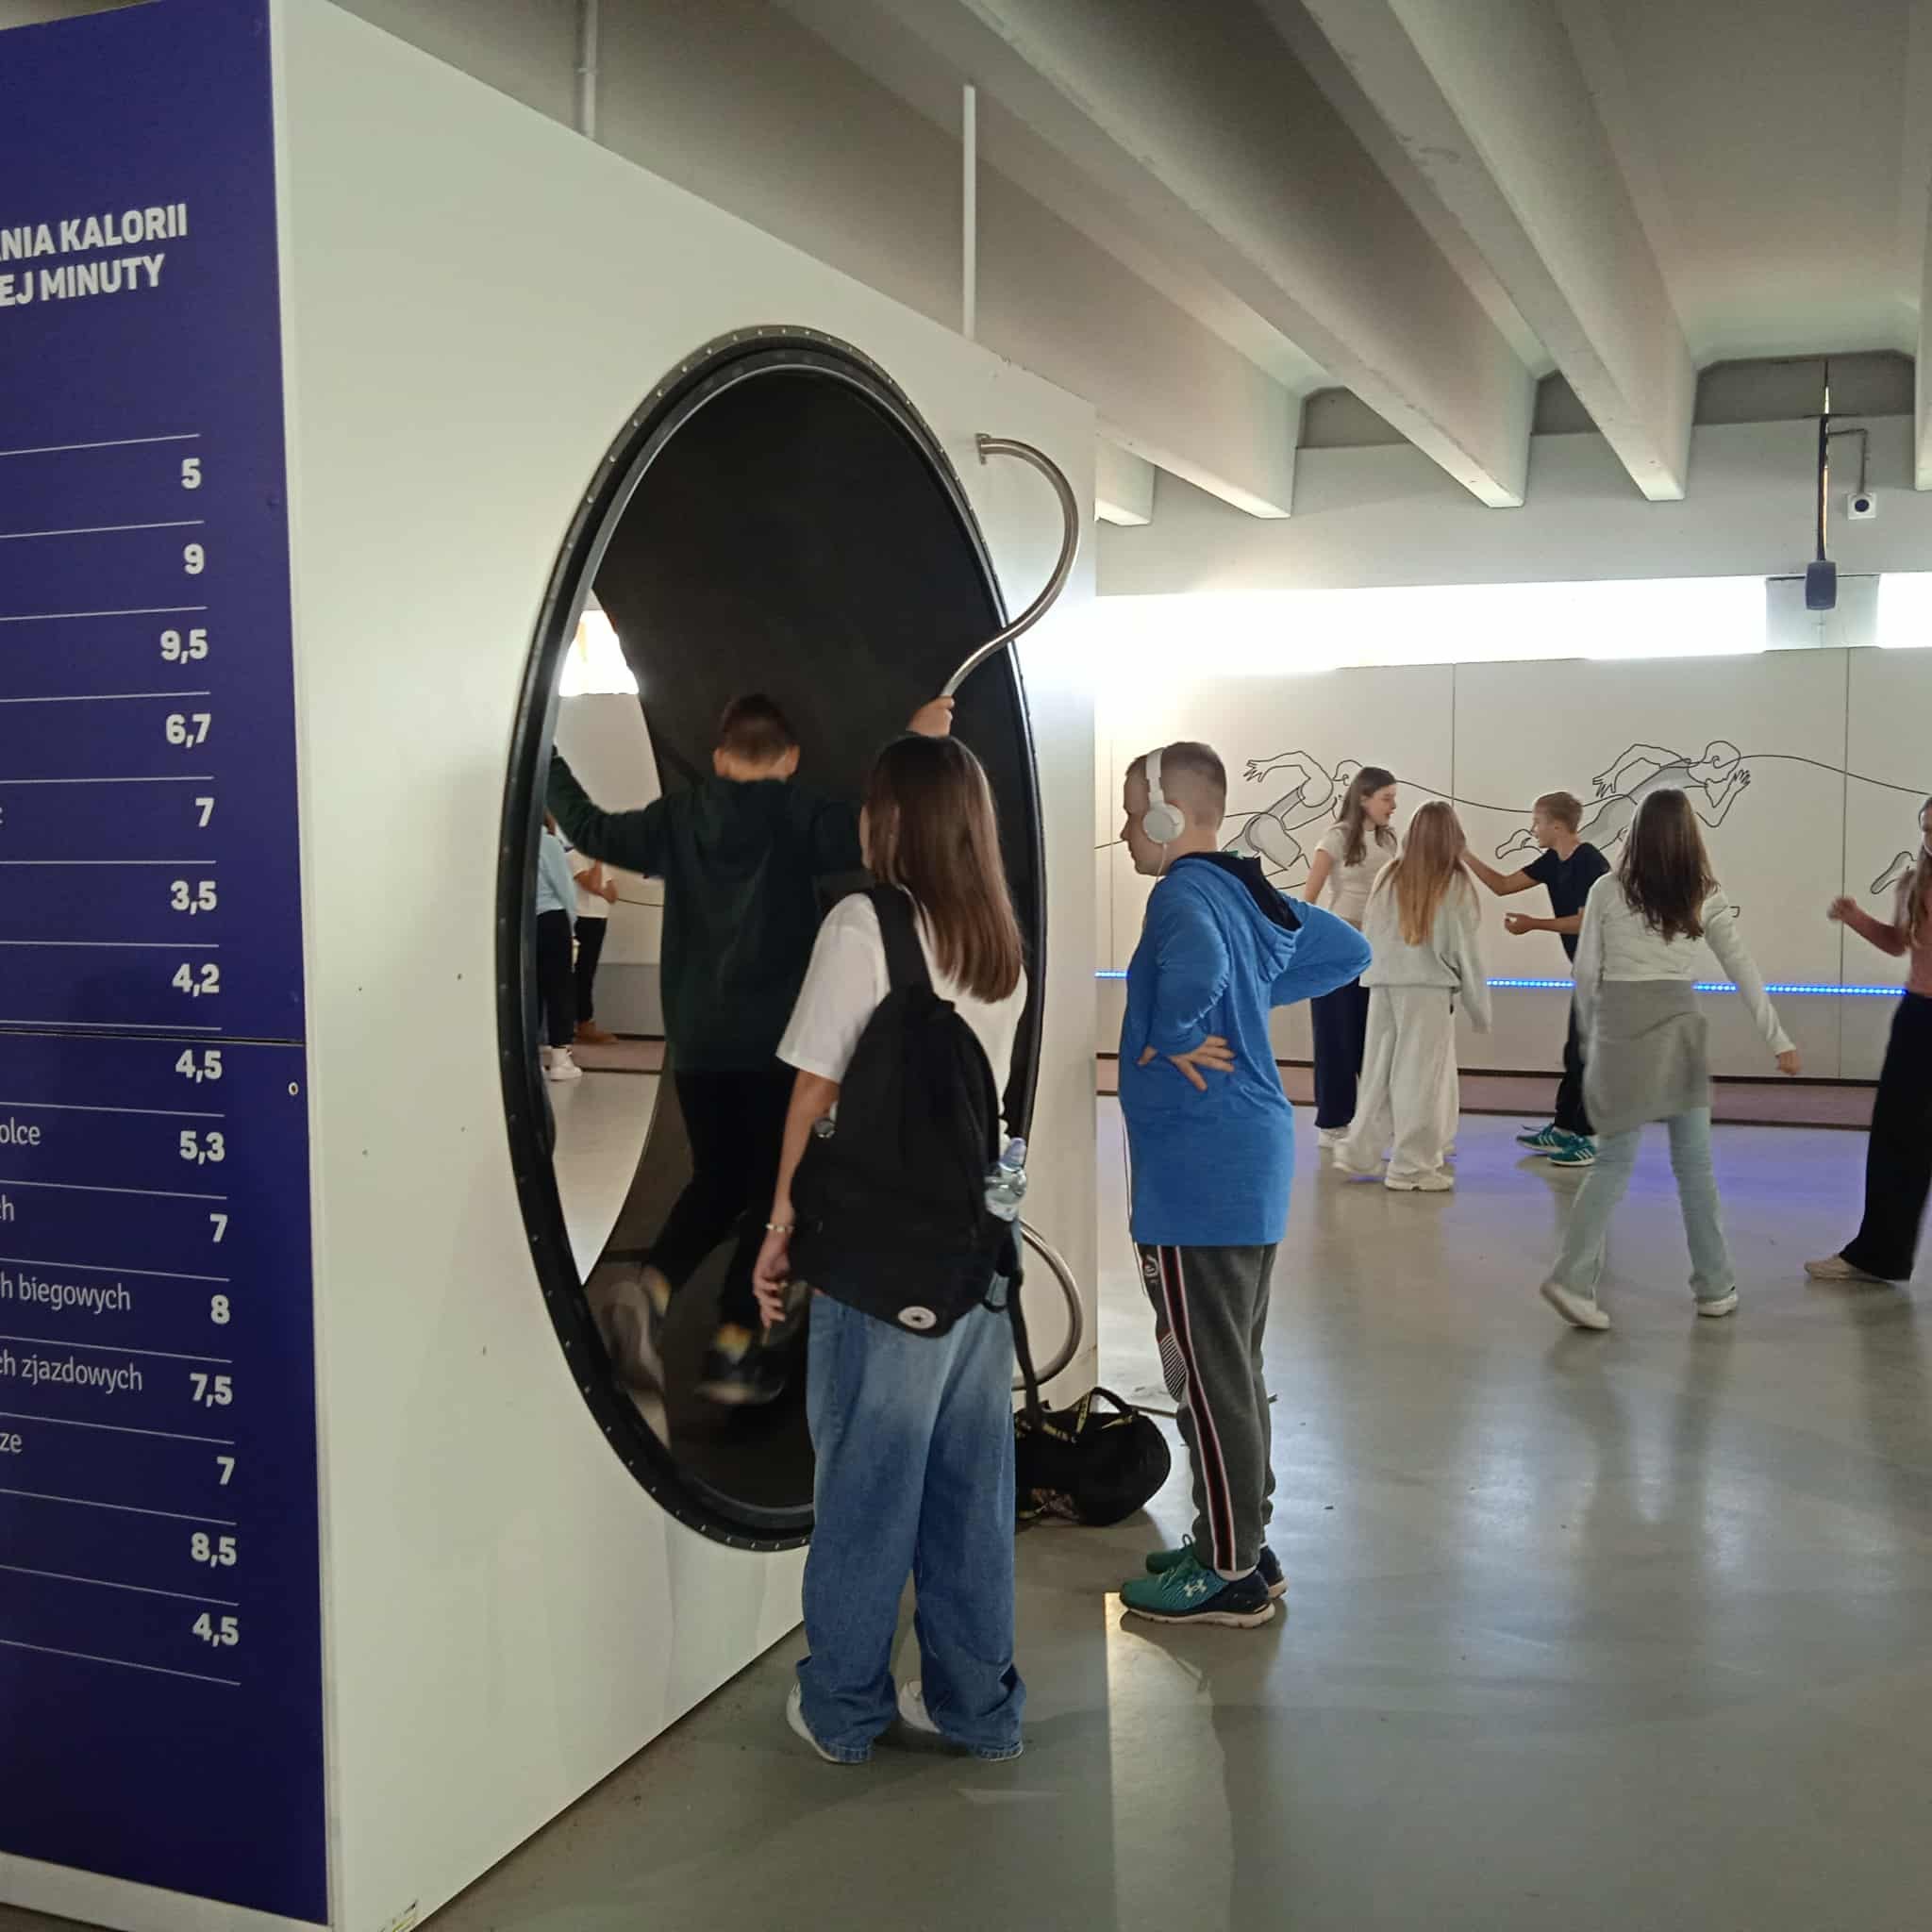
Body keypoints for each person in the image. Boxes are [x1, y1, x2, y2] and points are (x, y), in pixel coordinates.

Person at [548, 691, 952, 1404]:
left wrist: (543, 756)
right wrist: (916, 743)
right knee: (772, 1191)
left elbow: (589, 828)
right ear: (791, 759)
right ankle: (735, 1347)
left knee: (717, 1177)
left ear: (718, 758)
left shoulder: (679, 817)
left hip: (697, 1038)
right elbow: (880, 830)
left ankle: (652, 1288)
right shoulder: (801, 813)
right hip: (779, 1043)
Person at [750, 734, 1029, 1764]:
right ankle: (977, 1706)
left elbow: (815, 1087)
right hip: (979, 1248)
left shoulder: (864, 924)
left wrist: (779, 1225)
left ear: (892, 819)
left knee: (867, 1483)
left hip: (882, 1256)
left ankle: (843, 1707)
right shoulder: (998, 939)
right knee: (969, 1485)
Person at [1113, 741, 1370, 1626]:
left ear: (1166, 815)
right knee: (1234, 1364)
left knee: (1205, 1373)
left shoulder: (1181, 893)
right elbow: (1347, 948)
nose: (1125, 831)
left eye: (1131, 814)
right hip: (1248, 1160)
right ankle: (1243, 1539)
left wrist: (1179, 1030)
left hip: (1199, 1172)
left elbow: (1196, 968)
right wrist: (1253, 989)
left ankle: (1229, 1571)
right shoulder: (1241, 889)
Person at [1540, 790, 1799, 1332]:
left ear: (1636, 832)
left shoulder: (1606, 889)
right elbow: (1742, 967)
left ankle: (1571, 1277)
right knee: (1695, 1165)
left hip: (1618, 1026)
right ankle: (1715, 1287)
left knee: (1613, 1162)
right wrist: (1778, 1040)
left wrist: (1586, 1048)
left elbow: (1586, 973)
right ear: (1689, 836)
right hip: (1678, 1027)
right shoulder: (1702, 893)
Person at [1807, 797, 1932, 1286]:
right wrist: (1856, 917)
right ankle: (1879, 1256)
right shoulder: (1914, 882)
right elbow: (1899, 943)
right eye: (1927, 828)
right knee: (1896, 1139)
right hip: (1919, 1017)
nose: (1931, 837)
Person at [1336, 801, 1490, 1192]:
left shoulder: (1389, 874)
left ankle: (1360, 1151)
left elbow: (1371, 931)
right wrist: (1479, 1008)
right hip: (1427, 989)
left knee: (1379, 1075)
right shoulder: (1454, 882)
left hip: (1383, 984)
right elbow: (1465, 951)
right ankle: (1411, 1167)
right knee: (1421, 1080)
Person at [1465, 791, 1610, 1169]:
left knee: (1589, 1055)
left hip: (1606, 971)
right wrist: (1462, 854)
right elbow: (1502, 885)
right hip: (1585, 969)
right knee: (1574, 1051)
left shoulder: (1590, 862)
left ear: (1557, 826)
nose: (1533, 829)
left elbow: (1587, 921)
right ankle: (1564, 1128)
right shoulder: (1552, 861)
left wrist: (1534, 924)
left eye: (1537, 822)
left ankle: (1590, 1137)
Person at [1301, 764, 1398, 1150]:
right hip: (1337, 947)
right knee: (1334, 1035)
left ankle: (1370, 1117)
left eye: (1393, 799)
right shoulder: (1337, 837)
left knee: (1370, 1035)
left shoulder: (1390, 840)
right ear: (1364, 797)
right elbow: (1310, 895)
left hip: (1376, 948)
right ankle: (1333, 1123)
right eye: (1386, 798)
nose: (1393, 806)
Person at [535, 813, 581, 1083]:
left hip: (524, 925)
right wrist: (572, 923)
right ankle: (560, 1059)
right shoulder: (548, 843)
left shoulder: (515, 845)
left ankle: (532, 1057)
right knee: (559, 988)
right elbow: (564, 886)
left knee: (533, 990)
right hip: (552, 919)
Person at [567, 841, 621, 1046]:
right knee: (582, 973)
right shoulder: (574, 857)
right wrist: (598, 863)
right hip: (583, 920)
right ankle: (583, 1023)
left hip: (599, 920)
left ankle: (582, 1021)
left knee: (588, 972)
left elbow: (613, 895)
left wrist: (601, 888)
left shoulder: (602, 863)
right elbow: (593, 885)